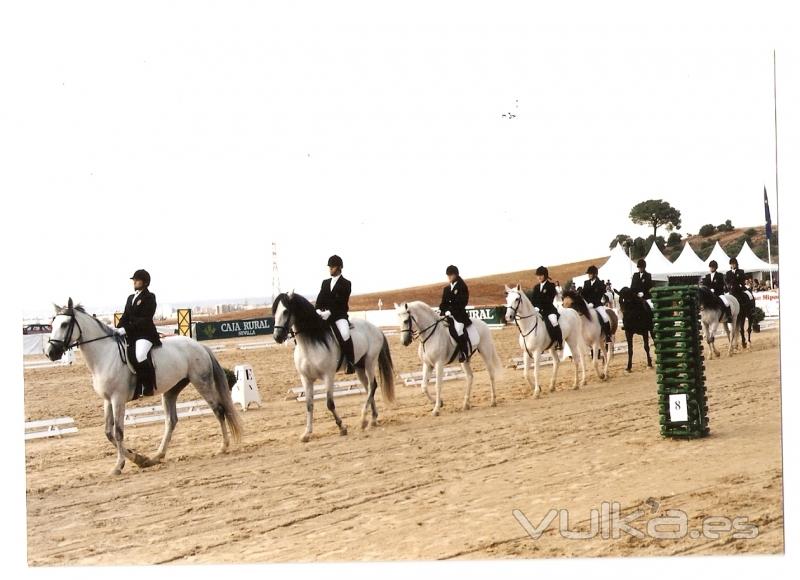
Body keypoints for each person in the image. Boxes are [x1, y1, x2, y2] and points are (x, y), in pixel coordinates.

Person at [115, 269, 161, 399]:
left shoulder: (149, 297)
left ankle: (148, 386)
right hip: (132, 334)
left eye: (137, 280)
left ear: (145, 282)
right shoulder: (131, 298)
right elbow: (125, 316)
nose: (134, 282)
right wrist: (117, 328)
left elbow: (144, 319)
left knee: (140, 355)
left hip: (145, 334)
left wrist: (126, 329)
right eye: (134, 280)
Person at [315, 255, 355, 374]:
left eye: (332, 267)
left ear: (339, 268)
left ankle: (350, 362)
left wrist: (330, 312)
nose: (330, 269)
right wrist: (317, 309)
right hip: (324, 315)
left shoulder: (346, 283)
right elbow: (320, 298)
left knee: (345, 333)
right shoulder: (325, 283)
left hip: (339, 316)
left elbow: (341, 302)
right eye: (330, 267)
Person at [439, 265, 471, 362]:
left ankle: (465, 352)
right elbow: (443, 303)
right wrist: (443, 310)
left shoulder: (462, 286)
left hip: (459, 315)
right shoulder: (446, 289)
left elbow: (462, 303)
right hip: (447, 315)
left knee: (458, 329)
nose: (449, 277)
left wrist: (451, 311)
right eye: (448, 275)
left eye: (451, 275)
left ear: (456, 275)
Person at [530, 266, 562, 351]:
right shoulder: (536, 287)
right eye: (538, 275)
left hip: (549, 310)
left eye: (541, 275)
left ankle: (559, 341)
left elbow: (549, 300)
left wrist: (539, 308)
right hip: (537, 311)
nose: (539, 277)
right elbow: (533, 300)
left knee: (553, 321)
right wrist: (535, 307)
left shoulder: (551, 286)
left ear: (545, 275)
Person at [581, 265, 612, 343]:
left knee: (605, 317)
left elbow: (599, 295)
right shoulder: (586, 283)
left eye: (590, 274)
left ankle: (608, 335)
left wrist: (593, 303)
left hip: (597, 304)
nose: (589, 275)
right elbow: (584, 294)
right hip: (588, 305)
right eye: (588, 274)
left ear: (595, 274)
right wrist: (587, 303)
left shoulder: (600, 283)